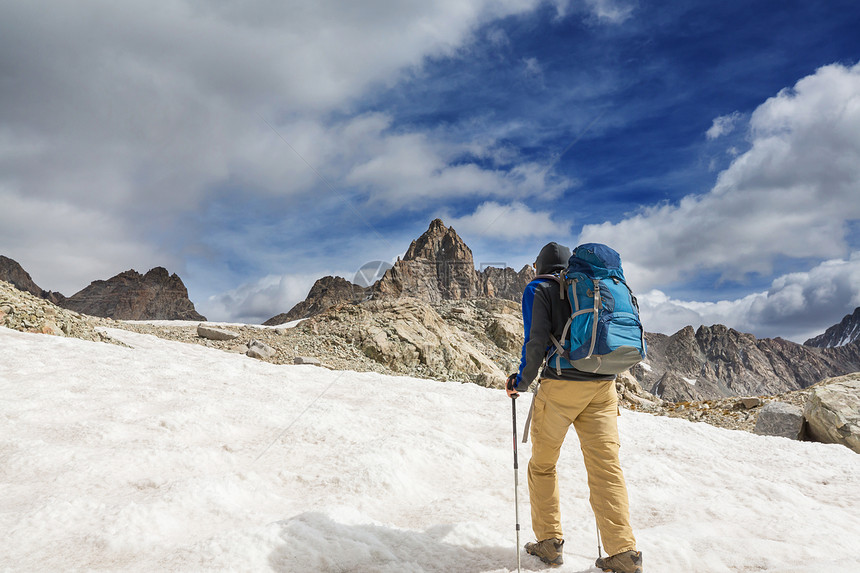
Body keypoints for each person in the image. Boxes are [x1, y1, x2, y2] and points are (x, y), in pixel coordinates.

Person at [506, 242, 643, 573]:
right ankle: (623, 552)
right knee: (605, 467)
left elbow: (535, 341)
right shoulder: (592, 285)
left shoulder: (539, 288)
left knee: (542, 465)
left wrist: (520, 382)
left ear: (539, 266)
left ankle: (549, 543)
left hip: (561, 387)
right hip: (603, 387)